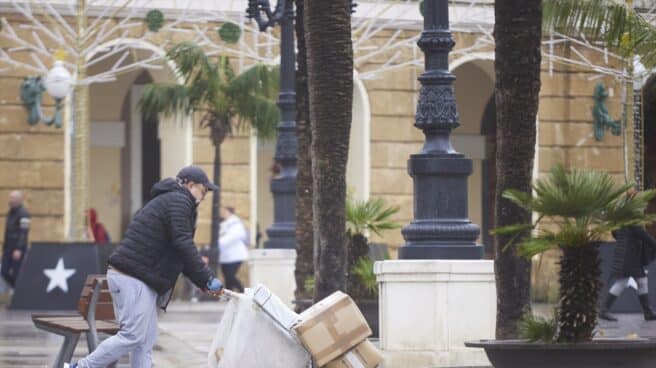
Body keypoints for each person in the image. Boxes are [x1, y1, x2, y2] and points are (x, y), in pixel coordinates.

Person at [66, 166, 223, 368]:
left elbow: (178, 253)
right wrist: (207, 278)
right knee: (132, 336)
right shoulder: (179, 201)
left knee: (144, 342)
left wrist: (202, 281)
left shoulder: (170, 199)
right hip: (135, 278)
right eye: (203, 190)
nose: (204, 196)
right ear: (190, 185)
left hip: (134, 277)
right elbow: (182, 243)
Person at [600, 189, 656, 322]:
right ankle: (604, 310)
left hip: (628, 253)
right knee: (624, 282)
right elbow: (641, 234)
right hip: (629, 255)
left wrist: (623, 239)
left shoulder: (622, 214)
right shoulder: (631, 214)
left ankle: (647, 312)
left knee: (639, 281)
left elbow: (614, 232)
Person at [2, 191, 30, 289]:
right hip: (8, 249)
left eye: (12, 198)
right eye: (10, 197)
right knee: (4, 272)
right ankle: (17, 290)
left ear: (19, 199)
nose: (10, 200)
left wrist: (18, 248)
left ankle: (19, 292)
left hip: (17, 250)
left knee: (16, 273)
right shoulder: (11, 212)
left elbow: (24, 232)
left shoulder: (24, 213)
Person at [218, 206, 249, 292]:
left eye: (225, 211)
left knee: (230, 276)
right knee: (227, 276)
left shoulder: (235, 223)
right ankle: (229, 295)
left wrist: (218, 243)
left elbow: (232, 237)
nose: (223, 213)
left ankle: (243, 291)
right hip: (225, 256)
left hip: (235, 255)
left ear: (229, 212)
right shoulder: (224, 224)